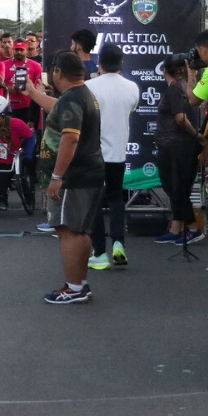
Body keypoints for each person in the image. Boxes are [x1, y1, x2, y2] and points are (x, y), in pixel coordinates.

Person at [37, 52, 105, 305]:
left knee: (68, 231)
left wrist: (57, 176)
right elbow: (57, 109)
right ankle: (79, 283)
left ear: (58, 73)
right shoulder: (81, 95)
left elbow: (70, 137)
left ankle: (75, 287)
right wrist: (31, 93)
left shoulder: (72, 99)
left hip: (74, 177)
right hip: (88, 173)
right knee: (78, 230)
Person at [85, 44, 140, 268]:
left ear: (99, 62)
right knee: (117, 199)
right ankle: (118, 243)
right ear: (121, 62)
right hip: (118, 152)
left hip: (94, 153)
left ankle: (99, 252)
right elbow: (132, 109)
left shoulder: (88, 86)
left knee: (95, 203)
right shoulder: (132, 87)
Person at [152, 56, 205, 244]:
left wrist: (195, 135)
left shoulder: (175, 89)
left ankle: (192, 228)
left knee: (176, 188)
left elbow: (181, 118)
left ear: (165, 70)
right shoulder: (185, 87)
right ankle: (176, 227)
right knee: (175, 187)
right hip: (178, 146)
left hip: (176, 146)